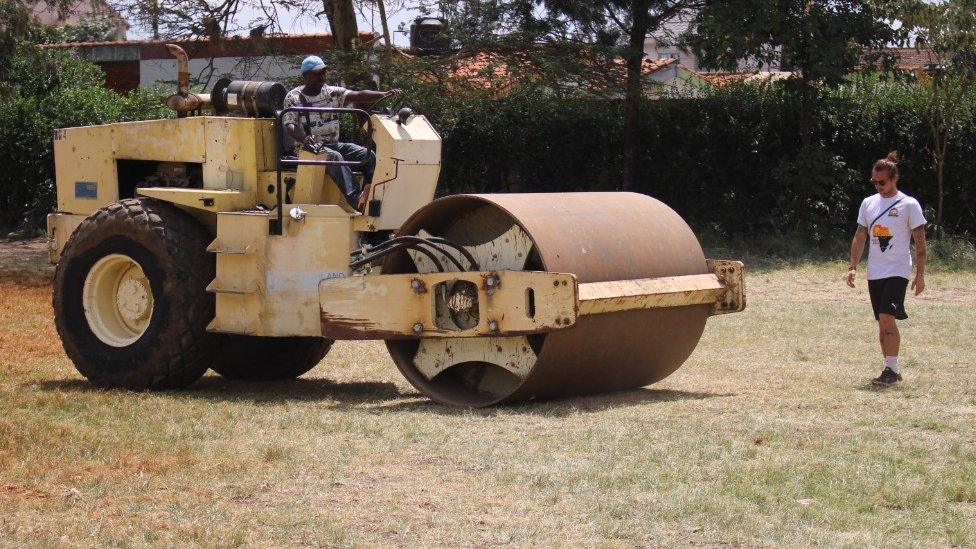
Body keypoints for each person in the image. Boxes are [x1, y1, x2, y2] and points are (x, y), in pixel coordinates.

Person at [845, 152, 927, 386]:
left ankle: (892, 370)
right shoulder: (868, 204)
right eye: (875, 182)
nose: (878, 186)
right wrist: (853, 267)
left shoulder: (909, 204)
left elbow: (920, 243)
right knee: (882, 322)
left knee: (886, 317)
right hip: (875, 271)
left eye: (883, 182)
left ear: (894, 179)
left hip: (898, 270)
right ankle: (890, 369)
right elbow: (860, 236)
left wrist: (920, 275)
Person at [282, 55, 402, 210]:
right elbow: (290, 125)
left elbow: (358, 95)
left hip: (333, 144)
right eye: (317, 74)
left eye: (324, 73)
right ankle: (356, 200)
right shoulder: (294, 97)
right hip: (308, 149)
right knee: (335, 157)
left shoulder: (331, 92)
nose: (322, 77)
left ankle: (369, 191)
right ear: (306, 76)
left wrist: (384, 94)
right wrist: (305, 139)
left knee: (367, 155)